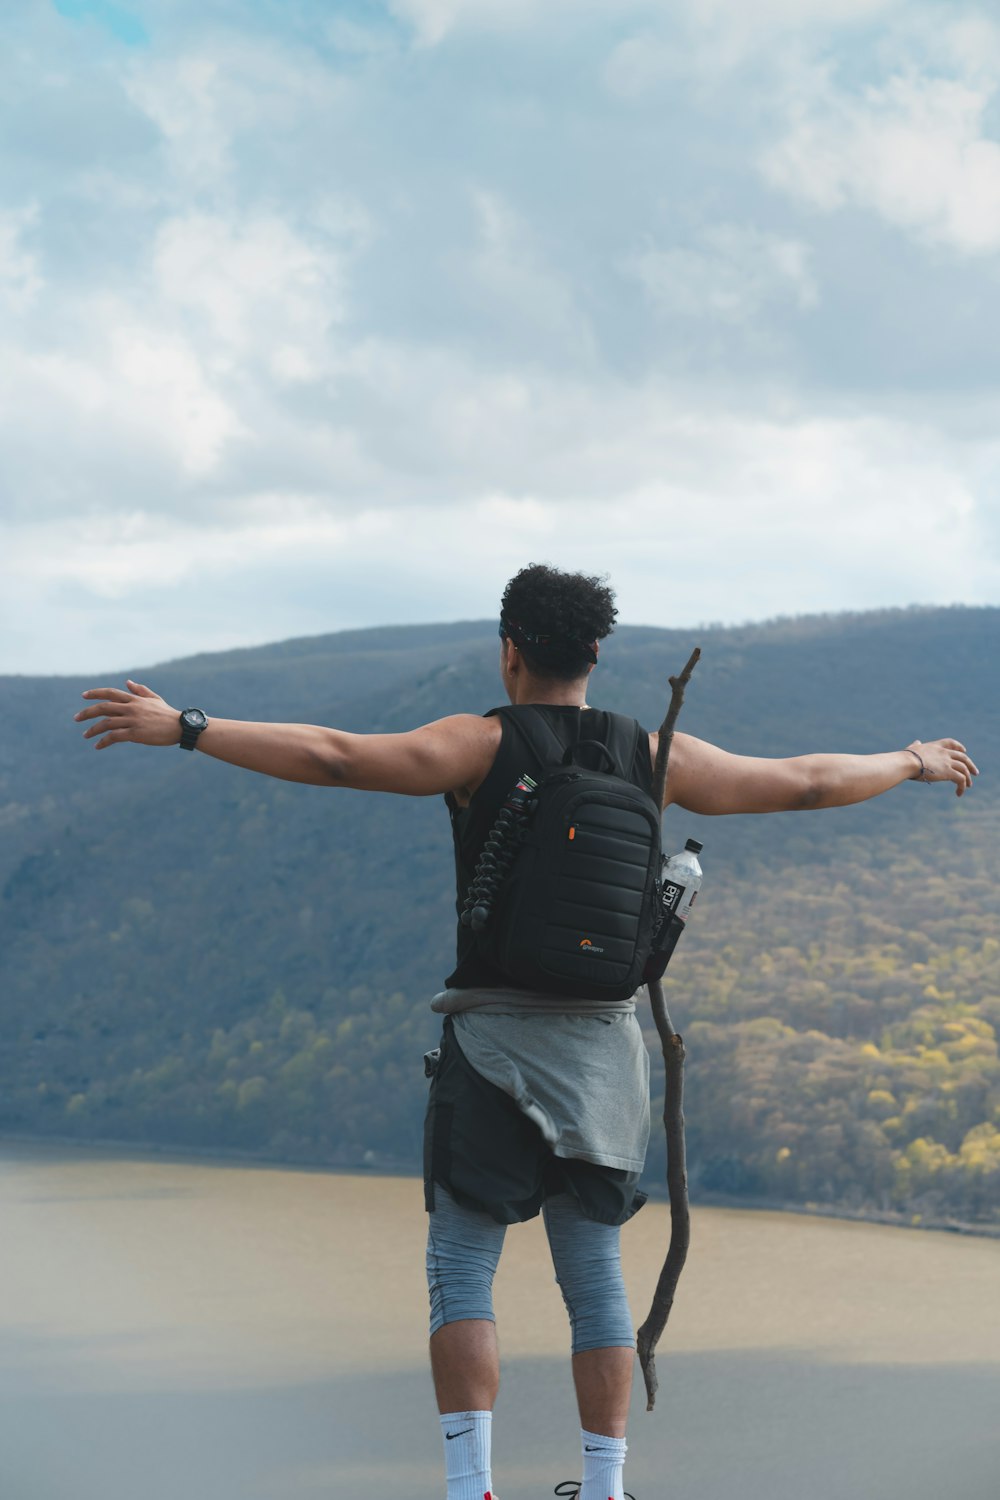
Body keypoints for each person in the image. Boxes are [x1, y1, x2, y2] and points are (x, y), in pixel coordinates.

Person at [74, 563, 977, 1500]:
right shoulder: (656, 754)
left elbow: (336, 755)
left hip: (493, 1048)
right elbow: (805, 783)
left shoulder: (476, 745)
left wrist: (187, 727)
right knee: (596, 1284)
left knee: (463, 1272)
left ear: (509, 653)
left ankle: (472, 1486)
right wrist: (911, 760)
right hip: (605, 1059)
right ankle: (606, 1482)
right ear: (595, 654)